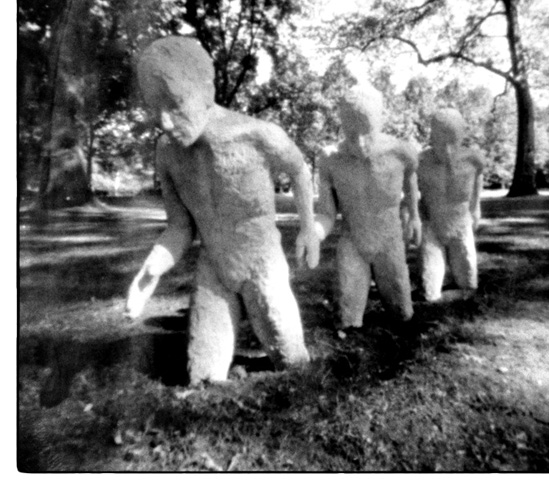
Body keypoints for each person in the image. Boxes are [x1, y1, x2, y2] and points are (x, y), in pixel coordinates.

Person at [124, 36, 319, 383]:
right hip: (214, 268)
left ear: (206, 90)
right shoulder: (167, 153)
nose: (165, 122)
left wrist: (308, 229)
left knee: (292, 363)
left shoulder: (258, 136)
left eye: (175, 104)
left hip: (262, 263)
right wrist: (153, 266)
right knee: (203, 376)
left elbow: (299, 169)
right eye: (155, 107)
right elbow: (181, 226)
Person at [314, 84, 421, 329]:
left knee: (402, 314)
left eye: (367, 132)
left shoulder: (401, 153)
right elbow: (327, 213)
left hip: (390, 241)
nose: (360, 143)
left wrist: (414, 215)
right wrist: (314, 232)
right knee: (347, 321)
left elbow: (412, 179)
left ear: (380, 122)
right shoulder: (331, 159)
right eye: (352, 134)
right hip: (353, 242)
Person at [417, 108, 483, 302]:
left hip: (461, 225)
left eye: (452, 141)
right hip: (432, 226)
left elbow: (478, 180)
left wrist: (476, 208)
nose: (446, 150)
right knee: (429, 293)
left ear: (461, 136)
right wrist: (412, 214)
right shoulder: (420, 162)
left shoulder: (473, 160)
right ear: (431, 136)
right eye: (440, 141)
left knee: (469, 284)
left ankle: (462, 279)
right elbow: (411, 192)